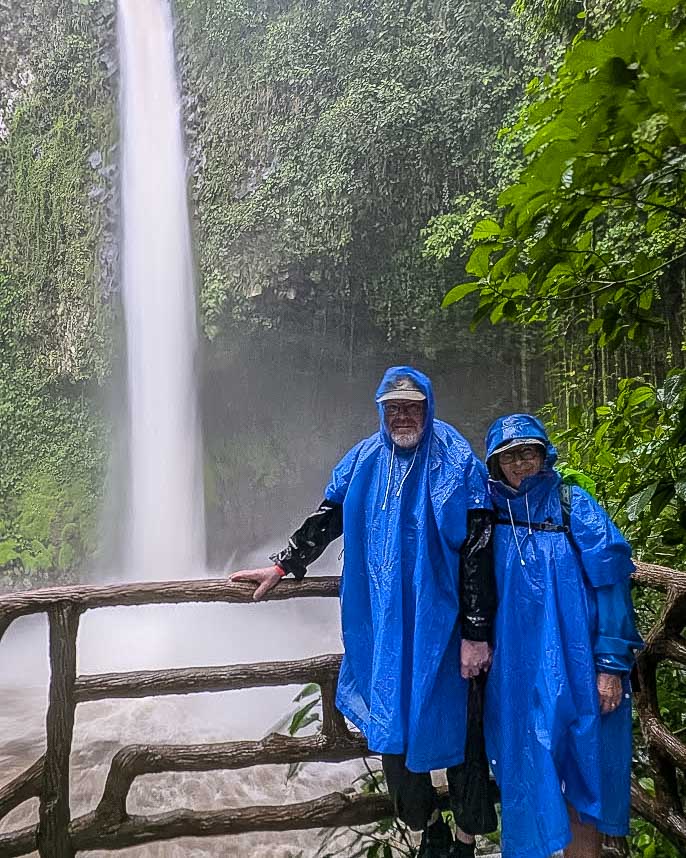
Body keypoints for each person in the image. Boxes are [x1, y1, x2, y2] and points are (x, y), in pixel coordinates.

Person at [231, 366, 496, 857]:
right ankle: (428, 825)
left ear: (428, 408)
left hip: (445, 625)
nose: (403, 416)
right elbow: (329, 515)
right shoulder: (366, 460)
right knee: (390, 725)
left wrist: (477, 632)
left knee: (461, 732)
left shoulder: (456, 460)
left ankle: (467, 837)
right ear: (381, 410)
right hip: (385, 628)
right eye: (394, 407)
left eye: (412, 407)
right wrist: (286, 563)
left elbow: (479, 547)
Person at [482, 414, 643, 858]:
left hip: (579, 665)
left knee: (584, 767)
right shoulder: (488, 514)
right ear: (496, 463)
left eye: (528, 452)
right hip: (516, 669)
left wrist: (610, 665)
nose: (521, 464)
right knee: (524, 766)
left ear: (543, 454)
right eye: (510, 456)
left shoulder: (573, 505)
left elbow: (612, 585)